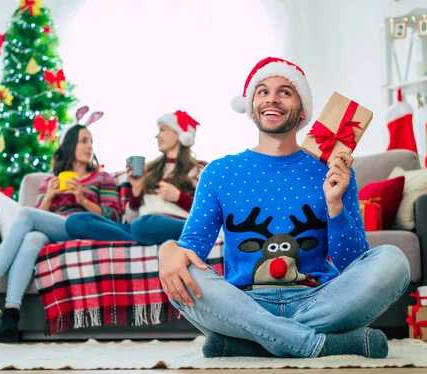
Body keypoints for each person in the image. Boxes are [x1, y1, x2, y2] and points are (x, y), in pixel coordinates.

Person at [157, 57, 410, 359]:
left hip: (319, 300)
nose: (272, 99)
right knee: (178, 271)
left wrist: (335, 204)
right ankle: (312, 344)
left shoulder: (332, 170)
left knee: (393, 261)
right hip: (244, 302)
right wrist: (167, 250)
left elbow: (354, 263)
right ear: (251, 107)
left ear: (302, 110)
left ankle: (255, 340)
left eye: (285, 92)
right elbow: (192, 250)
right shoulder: (219, 172)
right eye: (262, 91)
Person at [0, 106, 122, 338]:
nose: (89, 147)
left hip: (85, 226)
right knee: (32, 237)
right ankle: (10, 312)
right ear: (69, 146)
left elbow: (114, 217)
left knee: (26, 215)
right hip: (56, 228)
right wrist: (48, 197)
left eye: (91, 141)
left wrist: (82, 200)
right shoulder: (50, 181)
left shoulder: (102, 178)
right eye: (83, 141)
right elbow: (36, 220)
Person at [65, 110, 205, 245]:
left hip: (176, 224)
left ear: (179, 134)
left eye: (162, 130)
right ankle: (136, 240)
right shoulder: (149, 170)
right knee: (76, 221)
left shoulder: (198, 170)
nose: (157, 136)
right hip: (142, 226)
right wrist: (137, 188)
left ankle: (137, 238)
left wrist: (178, 197)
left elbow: (206, 213)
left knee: (142, 225)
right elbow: (130, 219)